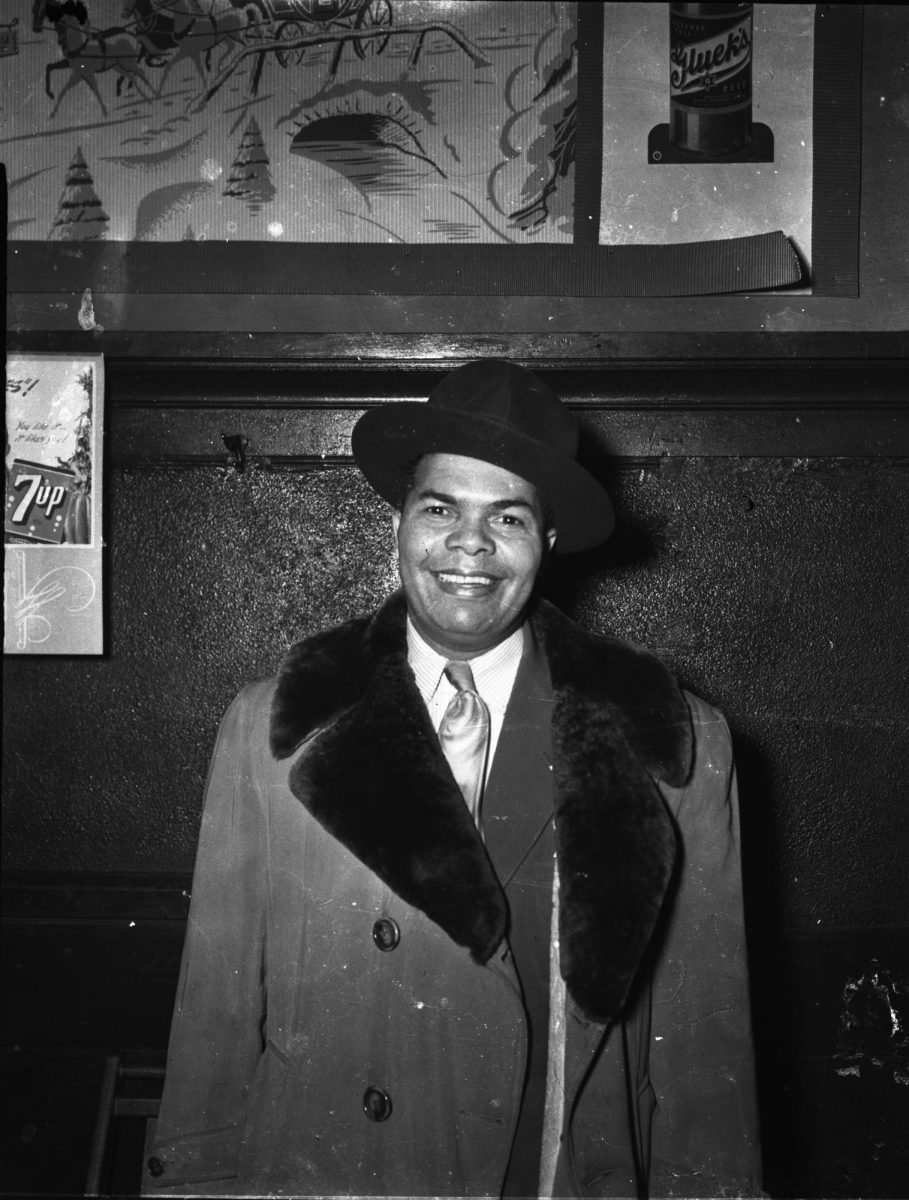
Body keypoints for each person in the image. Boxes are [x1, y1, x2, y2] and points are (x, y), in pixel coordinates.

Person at [146, 361, 762, 1199]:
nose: (468, 545)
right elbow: (214, 1010)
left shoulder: (677, 739)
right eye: (440, 508)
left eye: (505, 517)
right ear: (398, 525)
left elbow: (703, 1036)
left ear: (545, 542)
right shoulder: (270, 727)